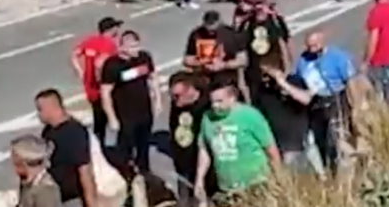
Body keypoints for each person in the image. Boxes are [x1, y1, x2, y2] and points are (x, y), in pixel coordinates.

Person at [194, 81, 281, 201]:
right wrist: (199, 179)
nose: (215, 106)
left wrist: (279, 178)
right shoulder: (207, 119)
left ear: (232, 99)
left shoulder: (250, 115)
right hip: (228, 188)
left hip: (256, 183)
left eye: (220, 101)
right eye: (212, 102)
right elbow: (204, 149)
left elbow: (270, 149)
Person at [291, 31, 355, 174]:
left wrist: (354, 104)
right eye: (309, 46)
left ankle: (339, 168)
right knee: (320, 139)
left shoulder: (337, 57)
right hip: (315, 103)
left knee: (336, 138)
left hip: (335, 99)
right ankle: (326, 166)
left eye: (314, 45)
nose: (311, 49)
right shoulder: (303, 60)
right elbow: (297, 78)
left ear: (322, 41)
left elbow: (350, 81)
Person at [100, 31, 161, 176]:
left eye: (137, 45)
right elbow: (105, 92)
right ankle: (127, 173)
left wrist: (157, 100)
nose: (136, 50)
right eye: (132, 46)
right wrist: (112, 118)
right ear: (122, 47)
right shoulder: (112, 65)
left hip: (144, 110)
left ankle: (145, 171)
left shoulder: (144, 58)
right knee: (126, 146)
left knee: (143, 143)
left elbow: (153, 78)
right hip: (125, 114)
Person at [36, 89, 97, 207]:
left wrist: (91, 203)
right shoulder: (48, 131)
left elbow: (85, 171)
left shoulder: (74, 132)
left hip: (72, 198)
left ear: (51, 107)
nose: (38, 114)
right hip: (54, 197)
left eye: (40, 109)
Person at [168, 73, 216, 207]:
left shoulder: (207, 103)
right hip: (183, 161)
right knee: (185, 201)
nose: (175, 101)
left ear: (190, 90)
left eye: (178, 96)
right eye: (172, 96)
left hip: (204, 161)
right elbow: (174, 127)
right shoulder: (177, 106)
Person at [71, 17, 121, 140]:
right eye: (116, 27)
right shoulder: (110, 45)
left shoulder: (90, 41)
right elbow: (99, 63)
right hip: (104, 88)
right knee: (112, 114)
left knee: (98, 117)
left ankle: (98, 141)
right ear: (111, 29)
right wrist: (101, 77)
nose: (118, 29)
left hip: (90, 87)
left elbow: (74, 54)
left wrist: (80, 71)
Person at [260, 64, 314, 172]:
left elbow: (306, 99)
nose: (267, 77)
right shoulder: (263, 90)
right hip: (277, 147)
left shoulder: (295, 81)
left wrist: (282, 83)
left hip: (297, 146)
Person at [237, 0, 292, 103]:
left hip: (275, 71)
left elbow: (284, 45)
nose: (260, 10)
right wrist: (241, 77)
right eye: (257, 7)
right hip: (254, 73)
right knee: (257, 102)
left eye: (262, 6)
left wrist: (287, 70)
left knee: (278, 102)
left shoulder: (276, 21)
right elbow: (241, 50)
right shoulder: (247, 24)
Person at [183, 11, 247, 91]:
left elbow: (242, 60)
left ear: (220, 22)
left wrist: (223, 65)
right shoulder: (196, 35)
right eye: (208, 29)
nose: (210, 33)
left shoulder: (232, 35)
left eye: (214, 30)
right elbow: (187, 59)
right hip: (204, 81)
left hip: (227, 81)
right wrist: (202, 63)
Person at [11, 134, 63, 207]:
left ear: (22, 163)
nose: (12, 162)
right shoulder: (28, 182)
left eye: (14, 157)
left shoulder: (46, 191)